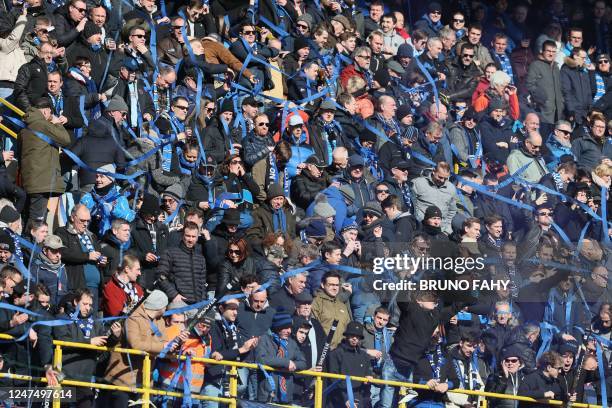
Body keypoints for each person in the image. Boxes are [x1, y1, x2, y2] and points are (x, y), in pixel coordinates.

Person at [103, 290, 182, 406]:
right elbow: (136, 345)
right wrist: (162, 346)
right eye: (165, 306)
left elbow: (164, 342)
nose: (166, 310)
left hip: (144, 381)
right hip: (122, 380)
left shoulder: (159, 321)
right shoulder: (133, 317)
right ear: (160, 306)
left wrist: (174, 345)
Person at [54, 288, 121, 407]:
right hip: (64, 375)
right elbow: (62, 341)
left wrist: (114, 336)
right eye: (84, 304)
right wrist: (89, 342)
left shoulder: (94, 321)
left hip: (84, 377)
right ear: (75, 302)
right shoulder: (62, 318)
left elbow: (104, 343)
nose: (87, 307)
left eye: (90, 304)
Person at [18, 97, 71, 223]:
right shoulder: (43, 124)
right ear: (46, 111)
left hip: (30, 179)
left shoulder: (24, 127)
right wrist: (56, 122)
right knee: (37, 221)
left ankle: (29, 239)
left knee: (30, 216)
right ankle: (33, 241)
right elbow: (65, 139)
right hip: (41, 181)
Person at [55, 204, 105, 305]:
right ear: (73, 218)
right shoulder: (62, 232)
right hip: (78, 287)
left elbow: (97, 254)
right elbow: (64, 253)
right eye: (82, 220)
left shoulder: (91, 235)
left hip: (95, 287)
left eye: (88, 221)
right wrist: (87, 256)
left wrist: (102, 261)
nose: (85, 224)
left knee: (92, 320)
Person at [255, 311, 307, 403]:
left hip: (286, 394)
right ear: (278, 327)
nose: (289, 331)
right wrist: (286, 363)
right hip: (268, 393)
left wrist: (294, 364)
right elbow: (261, 359)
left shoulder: (291, 343)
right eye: (285, 328)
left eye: (290, 328)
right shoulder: (265, 339)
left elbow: (303, 362)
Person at [157, 221, 207, 304]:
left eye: (193, 236)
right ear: (182, 235)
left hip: (198, 305)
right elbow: (160, 276)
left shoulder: (201, 258)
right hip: (178, 303)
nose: (190, 239)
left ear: (197, 237)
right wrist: (174, 295)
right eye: (188, 236)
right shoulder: (170, 253)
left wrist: (203, 303)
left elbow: (202, 284)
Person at [326, 321, 373, 408]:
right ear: (346, 335)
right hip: (339, 401)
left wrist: (369, 377)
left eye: (358, 336)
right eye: (352, 335)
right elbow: (334, 379)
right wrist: (346, 399)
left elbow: (368, 374)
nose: (355, 338)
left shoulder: (364, 356)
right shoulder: (335, 354)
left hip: (360, 401)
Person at [411, 162, 457, 235]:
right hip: (421, 227)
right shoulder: (419, 183)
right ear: (433, 171)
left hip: (441, 230)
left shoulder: (451, 188)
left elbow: (452, 210)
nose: (442, 181)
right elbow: (411, 202)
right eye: (440, 177)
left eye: (445, 178)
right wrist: (418, 219)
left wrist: (446, 228)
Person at [311, 271, 352, 349]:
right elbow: (313, 329)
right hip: (323, 351)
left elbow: (348, 328)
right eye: (331, 285)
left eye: (337, 285)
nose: (335, 288)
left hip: (341, 351)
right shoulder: (316, 302)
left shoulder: (342, 305)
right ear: (323, 285)